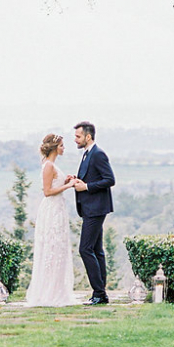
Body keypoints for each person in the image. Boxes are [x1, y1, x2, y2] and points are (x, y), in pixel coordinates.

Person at [25, 132, 78, 306]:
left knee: (59, 249)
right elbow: (47, 191)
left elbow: (57, 183)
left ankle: (57, 290)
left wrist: (66, 180)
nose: (64, 148)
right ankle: (49, 292)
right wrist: (68, 185)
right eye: (62, 145)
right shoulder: (48, 165)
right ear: (55, 148)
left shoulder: (53, 165)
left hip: (59, 209)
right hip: (52, 209)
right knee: (52, 248)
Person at [72, 120, 116, 305]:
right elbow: (89, 177)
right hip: (90, 208)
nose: (75, 140)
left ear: (88, 137)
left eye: (78, 136)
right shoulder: (86, 154)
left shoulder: (98, 154)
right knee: (97, 250)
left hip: (96, 209)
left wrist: (87, 187)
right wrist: (76, 180)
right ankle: (101, 294)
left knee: (85, 249)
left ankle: (98, 292)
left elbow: (109, 179)